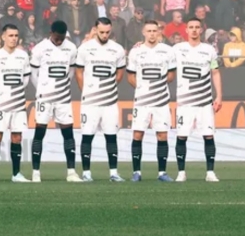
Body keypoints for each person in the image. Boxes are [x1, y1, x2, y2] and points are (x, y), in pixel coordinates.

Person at [74, 18, 127, 183]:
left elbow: (120, 74)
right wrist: (87, 90)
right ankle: (87, 173)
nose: (104, 35)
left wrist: (107, 88)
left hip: (110, 102)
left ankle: (113, 172)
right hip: (90, 102)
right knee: (87, 136)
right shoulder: (85, 48)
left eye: (107, 32)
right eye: (101, 32)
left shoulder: (117, 50)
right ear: (95, 29)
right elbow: (79, 72)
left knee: (111, 136)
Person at [29, 20, 81, 183]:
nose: (60, 41)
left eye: (62, 38)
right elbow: (33, 74)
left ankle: (71, 172)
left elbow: (71, 71)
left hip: (63, 98)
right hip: (45, 98)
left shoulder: (71, 48)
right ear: (51, 33)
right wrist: (43, 90)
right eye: (57, 38)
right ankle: (36, 172)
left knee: (68, 133)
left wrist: (62, 88)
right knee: (40, 133)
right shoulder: (40, 49)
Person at [173, 17, 223, 183]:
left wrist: (219, 96)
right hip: (184, 103)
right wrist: (139, 45)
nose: (194, 30)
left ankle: (210, 172)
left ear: (201, 30)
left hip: (204, 102)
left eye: (197, 27)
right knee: (182, 136)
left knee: (208, 136)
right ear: (186, 30)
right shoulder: (177, 49)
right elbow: (158, 54)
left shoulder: (209, 50)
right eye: (191, 27)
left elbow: (215, 72)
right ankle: (181, 172)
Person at [127, 20, 177, 182]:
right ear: (143, 32)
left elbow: (171, 75)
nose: (152, 34)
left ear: (159, 32)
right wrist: (143, 88)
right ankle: (137, 172)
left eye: (155, 30)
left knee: (162, 135)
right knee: (138, 134)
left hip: (161, 100)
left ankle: (162, 173)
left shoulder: (167, 51)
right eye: (149, 31)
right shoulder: (136, 52)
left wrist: (158, 87)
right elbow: (130, 77)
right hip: (142, 100)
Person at [0, 24, 30, 182]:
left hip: (18, 103)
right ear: (3, 37)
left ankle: (16, 174)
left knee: (17, 137)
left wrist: (17, 92)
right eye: (10, 35)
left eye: (16, 35)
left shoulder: (23, 56)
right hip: (0, 104)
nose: (13, 38)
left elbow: (26, 78)